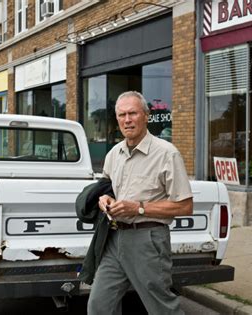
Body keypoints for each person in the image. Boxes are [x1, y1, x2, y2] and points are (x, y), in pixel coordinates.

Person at [87, 91, 193, 315]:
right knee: (99, 305)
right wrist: (104, 200)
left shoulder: (166, 154)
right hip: (114, 239)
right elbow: (106, 189)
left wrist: (139, 207)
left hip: (148, 241)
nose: (127, 119)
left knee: (161, 307)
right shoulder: (114, 154)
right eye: (122, 114)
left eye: (133, 113)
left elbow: (185, 206)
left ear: (146, 116)